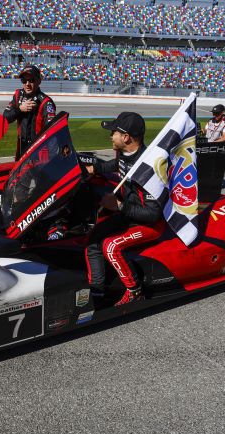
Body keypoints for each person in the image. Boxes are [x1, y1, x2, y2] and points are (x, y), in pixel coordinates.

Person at [83, 112, 165, 307]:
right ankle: (97, 290)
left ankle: (135, 291)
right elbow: (111, 165)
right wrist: (86, 168)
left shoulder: (149, 167)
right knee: (92, 239)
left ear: (126, 137)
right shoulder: (126, 155)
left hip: (150, 223)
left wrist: (119, 206)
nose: (110, 136)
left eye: (114, 132)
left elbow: (153, 214)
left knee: (110, 246)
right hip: (128, 215)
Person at [2, 65, 57, 160]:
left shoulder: (46, 103)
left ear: (39, 81)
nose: (27, 84)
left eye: (31, 80)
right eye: (24, 80)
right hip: (21, 149)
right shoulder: (18, 95)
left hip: (39, 150)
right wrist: (20, 109)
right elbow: (5, 118)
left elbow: (52, 132)